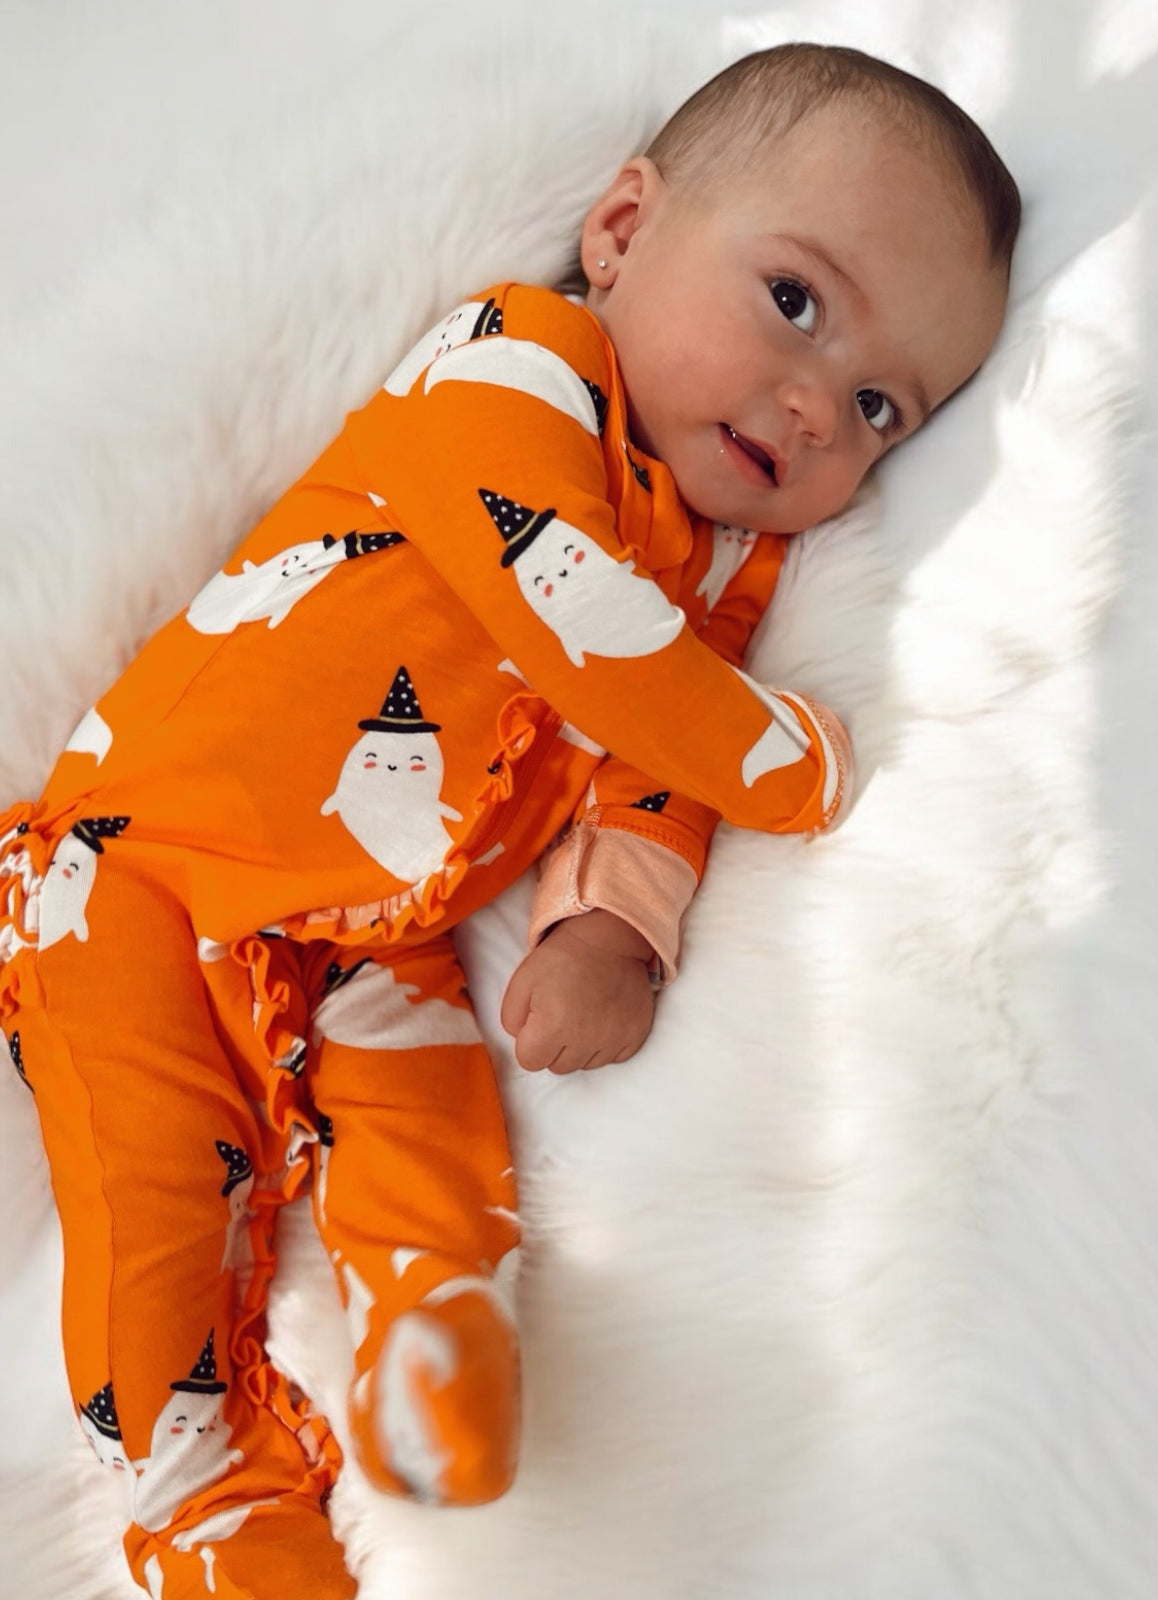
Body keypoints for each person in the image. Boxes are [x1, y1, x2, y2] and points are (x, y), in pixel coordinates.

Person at [0, 41, 1018, 1600]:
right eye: (792, 302)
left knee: (432, 1117)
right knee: (153, 1198)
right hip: (135, 869)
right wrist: (789, 759)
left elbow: (647, 778)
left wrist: (613, 927)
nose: (816, 406)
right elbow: (579, 621)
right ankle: (199, 1501)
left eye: (880, 405)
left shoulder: (722, 573)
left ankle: (432, 1338)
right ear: (621, 230)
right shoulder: (510, 363)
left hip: (377, 931)